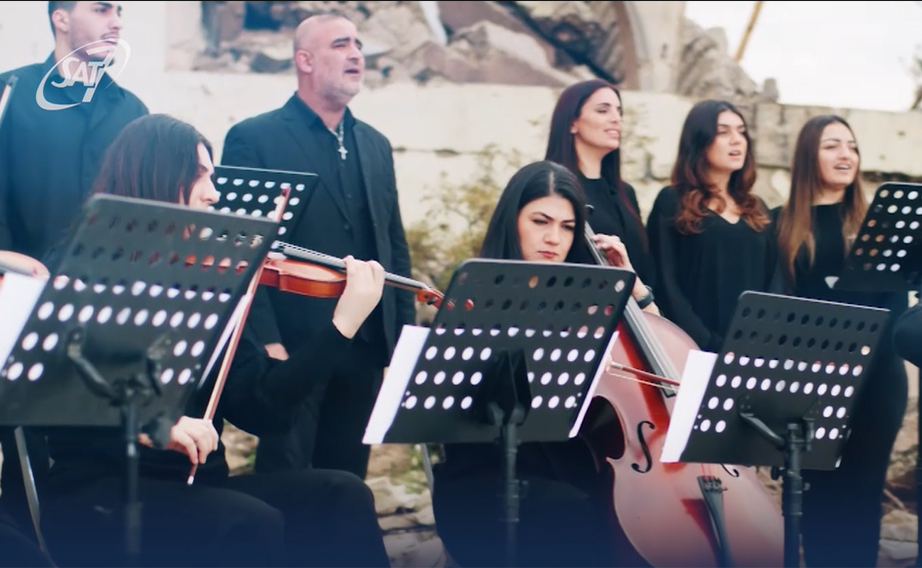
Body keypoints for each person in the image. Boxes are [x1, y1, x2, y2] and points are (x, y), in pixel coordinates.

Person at [35, 114, 392, 568]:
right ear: (157, 178)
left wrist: (341, 327)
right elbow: (58, 393)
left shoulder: (205, 282)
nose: (214, 193)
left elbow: (264, 409)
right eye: (200, 175)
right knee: (246, 521)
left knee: (341, 494)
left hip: (196, 486)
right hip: (99, 494)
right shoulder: (82, 268)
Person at [220, 10, 416, 479]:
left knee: (347, 481)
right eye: (341, 44)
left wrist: (402, 339)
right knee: (288, 481)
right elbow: (242, 249)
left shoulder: (375, 143)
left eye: (359, 45)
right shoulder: (254, 138)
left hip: (365, 346)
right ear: (304, 61)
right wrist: (266, 340)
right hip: (295, 349)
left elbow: (392, 243)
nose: (356, 54)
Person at [432, 160, 641, 568]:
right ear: (512, 221)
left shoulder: (585, 304)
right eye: (541, 221)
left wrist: (633, 285)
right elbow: (457, 427)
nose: (553, 238)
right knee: (577, 520)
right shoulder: (472, 298)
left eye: (566, 226)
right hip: (485, 481)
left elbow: (656, 366)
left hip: (571, 470)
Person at [0, 0, 149, 544]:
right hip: (19, 310)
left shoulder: (132, 109)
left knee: (90, 471)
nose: (117, 21)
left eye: (120, 12)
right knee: (22, 470)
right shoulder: (10, 94)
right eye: (102, 8)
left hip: (107, 322)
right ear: (61, 18)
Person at [771, 114, 908, 568]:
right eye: (832, 145)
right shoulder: (780, 227)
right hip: (814, 383)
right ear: (809, 155)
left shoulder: (882, 227)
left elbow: (894, 310)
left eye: (850, 145)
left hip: (878, 381)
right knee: (816, 494)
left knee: (862, 494)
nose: (845, 154)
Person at [646, 99, 781, 353]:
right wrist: (708, 343)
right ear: (699, 139)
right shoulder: (672, 201)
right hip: (692, 349)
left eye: (741, 132)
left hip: (753, 351)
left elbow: (775, 282)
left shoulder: (757, 208)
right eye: (723, 132)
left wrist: (759, 339)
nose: (737, 140)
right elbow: (666, 284)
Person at [544, 78, 659, 314]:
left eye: (619, 111)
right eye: (603, 110)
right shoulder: (553, 188)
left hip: (633, 324)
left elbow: (643, 268)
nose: (616, 119)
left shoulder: (625, 193)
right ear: (572, 122)